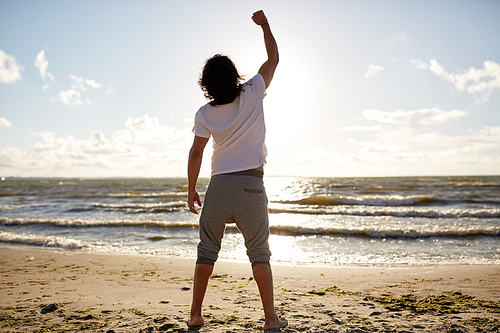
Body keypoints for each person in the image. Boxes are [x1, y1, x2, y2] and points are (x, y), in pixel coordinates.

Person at [187, 10, 287, 331]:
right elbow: (273, 58)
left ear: (207, 85)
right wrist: (265, 25)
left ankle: (195, 315)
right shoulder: (254, 91)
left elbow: (196, 152)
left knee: (206, 253)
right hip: (251, 188)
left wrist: (191, 189)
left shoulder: (204, 113)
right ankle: (270, 319)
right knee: (259, 254)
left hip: (218, 188)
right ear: (234, 76)